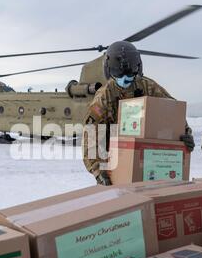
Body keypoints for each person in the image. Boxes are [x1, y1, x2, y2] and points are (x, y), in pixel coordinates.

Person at [83, 41, 195, 186]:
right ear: (109, 70)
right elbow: (91, 133)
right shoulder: (104, 96)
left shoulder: (148, 87)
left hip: (149, 158)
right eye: (118, 72)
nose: (125, 78)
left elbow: (172, 110)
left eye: (129, 72)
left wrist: (185, 133)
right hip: (116, 159)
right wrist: (99, 170)